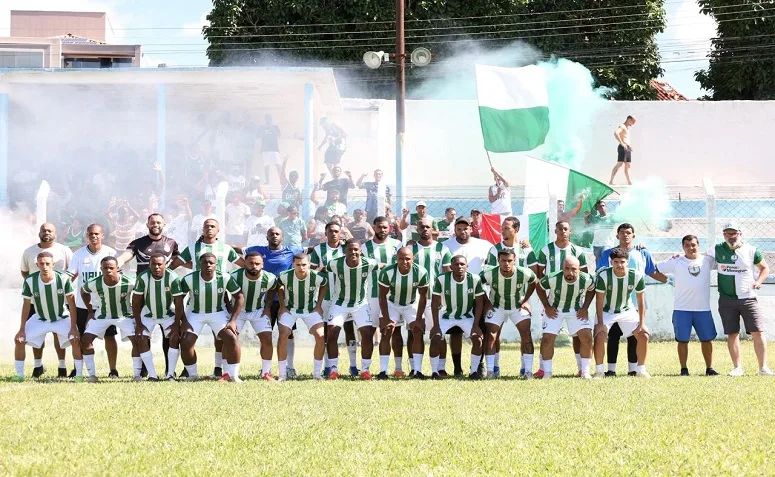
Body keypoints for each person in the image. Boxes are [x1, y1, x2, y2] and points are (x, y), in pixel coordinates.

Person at [171, 218, 244, 378]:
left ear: (218, 230)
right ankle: (191, 373)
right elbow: (175, 264)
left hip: (221, 293)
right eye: (206, 226)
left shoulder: (226, 248)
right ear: (202, 229)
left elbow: (245, 265)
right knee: (188, 339)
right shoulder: (192, 248)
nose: (209, 229)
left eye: (213, 226)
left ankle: (221, 370)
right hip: (196, 293)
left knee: (222, 337)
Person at [596, 223, 667, 377]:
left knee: (634, 336)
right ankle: (610, 370)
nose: (625, 235)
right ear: (617, 236)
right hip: (612, 302)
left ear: (634, 236)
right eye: (622, 232)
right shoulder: (608, 254)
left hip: (633, 303)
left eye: (628, 233)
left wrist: (669, 280)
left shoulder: (642, 252)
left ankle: (633, 369)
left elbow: (652, 271)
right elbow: (600, 273)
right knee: (613, 335)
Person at [116, 213, 180, 377]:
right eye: (152, 222)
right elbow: (126, 256)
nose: (155, 224)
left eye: (158, 222)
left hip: (165, 292)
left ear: (164, 224)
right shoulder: (138, 243)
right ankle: (145, 369)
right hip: (143, 292)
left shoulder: (171, 243)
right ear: (147, 224)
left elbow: (180, 260)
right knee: (144, 332)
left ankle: (169, 369)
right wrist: (117, 264)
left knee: (169, 333)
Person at [707, 221, 773, 376]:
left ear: (740, 233)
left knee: (758, 332)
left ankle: (763, 368)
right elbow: (698, 259)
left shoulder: (751, 250)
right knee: (732, 333)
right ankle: (737, 367)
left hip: (749, 298)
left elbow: (765, 268)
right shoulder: (716, 249)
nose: (731, 236)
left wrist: (758, 282)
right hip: (726, 300)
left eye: (734, 233)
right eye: (728, 233)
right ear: (724, 235)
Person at [528, 220, 589, 378]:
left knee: (578, 335)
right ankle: (543, 369)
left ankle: (582, 369)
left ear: (570, 231)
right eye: (560, 229)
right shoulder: (546, 250)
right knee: (547, 336)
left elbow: (585, 275)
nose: (563, 231)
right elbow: (541, 274)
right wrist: (547, 302)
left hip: (575, 300)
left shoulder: (578, 251)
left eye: (566, 229)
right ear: (555, 231)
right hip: (552, 300)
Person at [13, 252, 84, 382]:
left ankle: (79, 374)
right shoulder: (30, 280)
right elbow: (26, 306)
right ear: (37, 265)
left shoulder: (63, 279)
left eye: (47, 264)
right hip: (40, 319)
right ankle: (19, 375)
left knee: (75, 339)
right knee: (19, 340)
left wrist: (73, 327)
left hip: (61, 318)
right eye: (41, 264)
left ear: (53, 264)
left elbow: (72, 305)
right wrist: (21, 329)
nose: (45, 267)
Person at [656, 235, 719, 376]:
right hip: (681, 309)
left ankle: (709, 368)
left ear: (698, 245)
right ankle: (684, 369)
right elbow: (654, 268)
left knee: (706, 339)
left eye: (693, 245)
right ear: (683, 247)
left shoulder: (707, 260)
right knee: (683, 340)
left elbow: (724, 260)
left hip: (702, 309)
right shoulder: (676, 261)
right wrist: (667, 280)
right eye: (687, 245)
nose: (690, 248)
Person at [246, 227, 304, 378]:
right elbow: (239, 249)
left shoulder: (292, 251)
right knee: (266, 334)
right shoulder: (258, 250)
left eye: (278, 234)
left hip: (286, 300)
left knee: (288, 333)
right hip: (266, 301)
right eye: (271, 234)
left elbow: (309, 250)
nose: (274, 236)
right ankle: (266, 368)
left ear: (282, 237)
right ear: (267, 237)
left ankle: (290, 367)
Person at [178, 253, 244, 382]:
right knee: (186, 342)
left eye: (211, 263)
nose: (208, 265)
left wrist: (233, 320)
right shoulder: (189, 279)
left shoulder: (225, 277)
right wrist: (184, 321)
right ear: (199, 264)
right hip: (195, 313)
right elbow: (178, 299)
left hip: (217, 313)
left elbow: (240, 297)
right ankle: (192, 375)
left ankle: (233, 375)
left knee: (232, 338)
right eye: (205, 262)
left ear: (216, 265)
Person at [20, 222, 72, 378]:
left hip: (59, 301)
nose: (46, 233)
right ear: (39, 233)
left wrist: (61, 288)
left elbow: (71, 272)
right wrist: (37, 288)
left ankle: (62, 367)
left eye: (50, 230)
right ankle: (38, 365)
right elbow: (25, 273)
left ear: (55, 233)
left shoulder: (64, 250)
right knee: (37, 335)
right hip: (36, 301)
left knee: (58, 334)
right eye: (43, 230)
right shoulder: (29, 251)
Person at [68, 224, 119, 378]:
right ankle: (80, 370)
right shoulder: (78, 254)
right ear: (86, 235)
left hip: (106, 304)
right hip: (83, 305)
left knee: (110, 336)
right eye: (90, 234)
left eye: (97, 233)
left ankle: (113, 369)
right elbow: (71, 276)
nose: (94, 236)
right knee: (83, 337)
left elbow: (118, 277)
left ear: (102, 235)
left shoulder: (111, 252)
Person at [593, 248, 650, 378]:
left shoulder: (636, 276)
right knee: (600, 335)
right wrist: (600, 323)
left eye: (622, 261)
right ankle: (599, 371)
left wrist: (642, 324)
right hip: (607, 311)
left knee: (643, 335)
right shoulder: (603, 275)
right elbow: (599, 302)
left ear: (627, 262)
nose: (619, 265)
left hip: (627, 310)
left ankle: (641, 370)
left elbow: (641, 303)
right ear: (611, 262)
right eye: (616, 261)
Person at [325, 240, 378, 380]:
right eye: (350, 249)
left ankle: (365, 370)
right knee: (332, 332)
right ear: (345, 251)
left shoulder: (370, 263)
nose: (353, 252)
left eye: (356, 249)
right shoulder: (335, 263)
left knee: (367, 333)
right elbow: (323, 269)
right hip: (339, 304)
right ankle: (333, 369)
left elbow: (382, 265)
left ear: (361, 250)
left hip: (360, 304)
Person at [536, 256, 596, 379]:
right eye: (567, 269)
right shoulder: (552, 278)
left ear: (579, 269)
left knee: (587, 337)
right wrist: (547, 306)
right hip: (555, 310)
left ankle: (584, 372)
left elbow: (592, 290)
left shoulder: (587, 279)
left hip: (576, 310)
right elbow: (539, 287)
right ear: (562, 268)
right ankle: (547, 373)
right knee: (547, 339)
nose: (570, 272)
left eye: (574, 269)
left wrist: (585, 307)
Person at [480, 249, 537, 378]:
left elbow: (534, 282)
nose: (507, 263)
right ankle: (491, 371)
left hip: (517, 307)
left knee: (526, 335)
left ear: (514, 260)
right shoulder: (489, 273)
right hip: (497, 307)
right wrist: (487, 301)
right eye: (503, 261)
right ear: (498, 261)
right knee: (491, 336)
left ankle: (527, 371)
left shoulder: (523, 272)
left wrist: (526, 300)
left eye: (510, 261)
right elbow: (477, 283)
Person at [80, 257, 137, 382]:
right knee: (85, 340)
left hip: (124, 316)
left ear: (117, 268)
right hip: (102, 316)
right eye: (105, 268)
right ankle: (92, 376)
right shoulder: (94, 282)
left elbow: (141, 294)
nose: (108, 270)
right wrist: (90, 311)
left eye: (111, 268)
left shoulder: (130, 282)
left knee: (137, 341)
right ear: (101, 269)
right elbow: (83, 292)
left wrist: (135, 311)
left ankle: (137, 376)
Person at [409, 217, 453, 378]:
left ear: (433, 229)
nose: (425, 229)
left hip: (436, 298)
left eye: (428, 227)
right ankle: (415, 369)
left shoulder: (442, 249)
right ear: (417, 230)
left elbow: (448, 274)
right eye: (422, 227)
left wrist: (446, 296)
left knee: (438, 334)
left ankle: (440, 368)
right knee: (415, 333)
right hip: (414, 299)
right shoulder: (411, 249)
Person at [131, 253, 185, 381]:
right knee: (141, 337)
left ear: (165, 265)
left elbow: (178, 302)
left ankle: (170, 374)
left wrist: (177, 324)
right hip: (148, 314)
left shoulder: (173, 277)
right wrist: (138, 324)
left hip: (167, 314)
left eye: (159, 264)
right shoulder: (143, 277)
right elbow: (136, 300)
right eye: (153, 264)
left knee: (174, 336)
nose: (156, 267)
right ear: (149, 265)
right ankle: (152, 375)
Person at [430, 255, 485, 380]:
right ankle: (434, 372)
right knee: (435, 338)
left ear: (467, 266)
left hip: (466, 316)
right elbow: (434, 303)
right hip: (446, 316)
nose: (459, 267)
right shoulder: (442, 279)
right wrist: (435, 326)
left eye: (462, 264)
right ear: (451, 266)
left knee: (478, 339)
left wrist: (476, 326)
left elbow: (480, 303)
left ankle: (474, 372)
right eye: (456, 264)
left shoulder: (475, 279)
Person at [377, 247, 429, 379]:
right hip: (392, 304)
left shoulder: (421, 272)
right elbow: (382, 296)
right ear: (396, 259)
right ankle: (383, 371)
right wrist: (386, 318)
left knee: (417, 331)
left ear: (413, 259)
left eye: (408, 259)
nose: (404, 261)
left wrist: (418, 319)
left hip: (411, 303)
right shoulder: (387, 272)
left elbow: (423, 297)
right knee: (386, 331)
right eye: (401, 258)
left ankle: (417, 371)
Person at [277, 253, 328, 380]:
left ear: (309, 264)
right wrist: (282, 305)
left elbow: (324, 285)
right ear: (293, 264)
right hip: (290, 309)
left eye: (304, 265)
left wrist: (319, 304)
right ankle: (282, 375)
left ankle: (317, 374)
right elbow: (279, 286)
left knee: (321, 336)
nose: (301, 268)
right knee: (283, 335)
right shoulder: (285, 275)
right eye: (298, 265)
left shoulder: (317, 276)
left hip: (310, 309)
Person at [362, 217, 403, 373]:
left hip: (393, 295)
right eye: (379, 227)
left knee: (395, 330)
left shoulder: (397, 245)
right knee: (369, 331)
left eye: (385, 227)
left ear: (390, 228)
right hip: (371, 294)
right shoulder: (365, 248)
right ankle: (366, 369)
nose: (382, 230)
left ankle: (398, 368)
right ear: (374, 228)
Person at [230, 253, 277, 380]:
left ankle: (265, 373)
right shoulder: (234, 276)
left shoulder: (270, 278)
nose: (254, 266)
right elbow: (224, 291)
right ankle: (229, 374)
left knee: (267, 338)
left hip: (258, 311)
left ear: (262, 264)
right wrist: (229, 310)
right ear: (244, 263)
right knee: (231, 339)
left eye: (257, 264)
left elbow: (273, 289)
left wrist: (267, 307)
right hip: (238, 312)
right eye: (251, 263)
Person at [308, 222, 347, 375]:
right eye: (330, 231)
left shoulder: (346, 249)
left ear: (341, 232)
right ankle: (327, 367)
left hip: (344, 297)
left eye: (337, 231)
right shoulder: (318, 249)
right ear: (326, 233)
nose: (334, 234)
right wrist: (321, 269)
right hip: (325, 296)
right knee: (325, 332)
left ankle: (352, 365)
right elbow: (312, 268)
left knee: (349, 330)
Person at [609, 115, 637, 185]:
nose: (633, 124)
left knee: (628, 165)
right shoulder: (622, 126)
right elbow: (616, 133)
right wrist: (622, 143)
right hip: (623, 147)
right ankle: (611, 181)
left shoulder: (627, 128)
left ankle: (629, 182)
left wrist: (629, 145)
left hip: (627, 148)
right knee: (620, 164)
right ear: (629, 119)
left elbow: (625, 137)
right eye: (633, 122)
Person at [260, 114, 282, 183]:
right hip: (265, 149)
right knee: (266, 165)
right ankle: (267, 181)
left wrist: (272, 128)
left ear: (271, 119)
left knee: (278, 165)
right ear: (265, 119)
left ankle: (282, 180)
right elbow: (257, 136)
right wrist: (264, 129)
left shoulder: (275, 127)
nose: (268, 120)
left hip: (274, 149)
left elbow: (279, 135)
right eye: (267, 118)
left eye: (269, 118)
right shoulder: (262, 127)